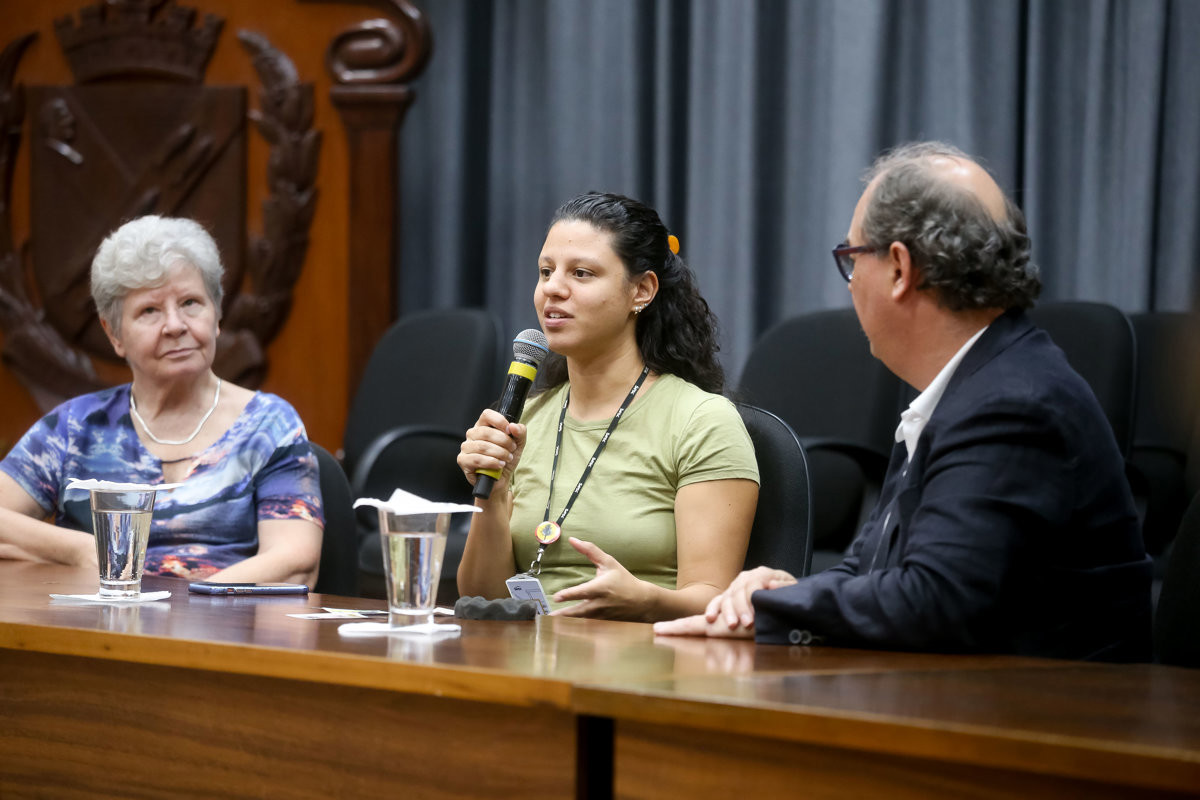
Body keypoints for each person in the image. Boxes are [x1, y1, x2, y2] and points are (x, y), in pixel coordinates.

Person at [656, 142, 1153, 661]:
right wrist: (785, 594)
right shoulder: (967, 384)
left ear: (899, 268)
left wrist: (775, 607)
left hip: (1056, 718)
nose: (850, 286)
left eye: (851, 258)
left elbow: (934, 598)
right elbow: (872, 566)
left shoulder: (1011, 404)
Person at [457, 192, 759, 621]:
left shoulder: (701, 421)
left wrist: (645, 599)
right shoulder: (525, 420)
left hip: (648, 662)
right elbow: (484, 596)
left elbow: (714, 599)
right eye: (545, 272)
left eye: (582, 273)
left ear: (642, 290)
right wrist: (497, 490)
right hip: (528, 664)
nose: (553, 289)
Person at [0, 215, 323, 585]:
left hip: (224, 632)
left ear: (216, 315)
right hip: (91, 634)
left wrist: (176, 611)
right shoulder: (76, 427)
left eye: (190, 303)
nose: (175, 325)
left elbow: (294, 562)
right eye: (149, 311)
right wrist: (82, 551)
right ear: (115, 333)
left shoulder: (269, 426)